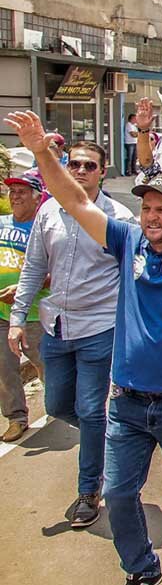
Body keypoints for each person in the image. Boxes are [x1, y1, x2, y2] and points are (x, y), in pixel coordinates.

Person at [6, 109, 162, 585]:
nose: (152, 216)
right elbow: (71, 198)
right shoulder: (126, 239)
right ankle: (139, 569)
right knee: (120, 492)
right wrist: (41, 149)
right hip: (126, 401)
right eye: (146, 207)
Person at [9, 135, 135, 529]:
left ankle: (88, 491)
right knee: (60, 406)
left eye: (88, 166)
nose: (80, 171)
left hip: (100, 326)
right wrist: (16, 319)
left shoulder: (118, 219)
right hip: (55, 327)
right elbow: (32, 268)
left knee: (89, 410)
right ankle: (109, 436)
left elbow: (132, 278)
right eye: (74, 165)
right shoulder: (48, 212)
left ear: (103, 172)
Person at [0, 171, 46, 442]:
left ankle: (57, 405)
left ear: (37, 197)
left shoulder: (43, 228)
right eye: (12, 191)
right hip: (1, 312)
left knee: (46, 364)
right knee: (4, 368)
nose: (15, 196)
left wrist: (23, 289)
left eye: (22, 191)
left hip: (34, 312)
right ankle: (16, 418)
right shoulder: (1, 223)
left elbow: (57, 269)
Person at [124, 113, 138, 178]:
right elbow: (133, 134)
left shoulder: (134, 126)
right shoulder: (128, 125)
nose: (136, 120)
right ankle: (128, 171)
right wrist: (138, 134)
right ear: (131, 119)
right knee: (129, 157)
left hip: (135, 142)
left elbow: (139, 132)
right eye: (135, 118)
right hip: (129, 143)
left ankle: (133, 170)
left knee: (134, 158)